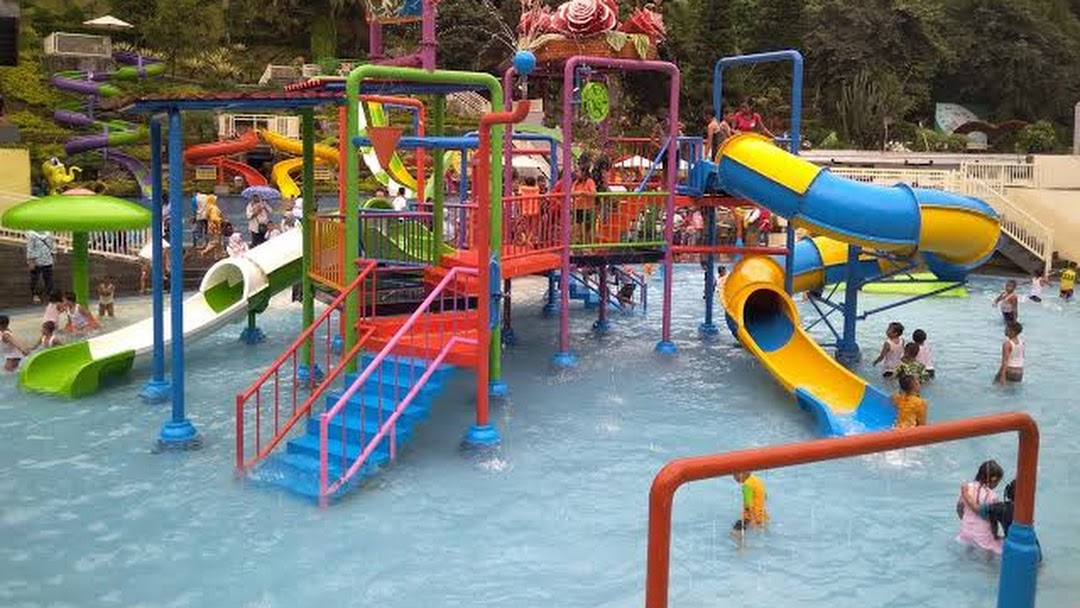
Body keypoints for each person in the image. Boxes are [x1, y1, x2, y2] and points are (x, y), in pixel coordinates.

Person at [956, 460, 1005, 555]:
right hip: (983, 537)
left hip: (966, 533)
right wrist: (995, 535)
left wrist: (965, 520)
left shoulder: (967, 488)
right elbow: (993, 521)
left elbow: (959, 508)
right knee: (990, 553)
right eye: (997, 482)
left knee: (968, 551)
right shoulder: (993, 496)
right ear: (993, 481)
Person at [26, 229, 56, 304]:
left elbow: (30, 248)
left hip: (41, 260)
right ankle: (37, 295)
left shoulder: (32, 234)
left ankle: (46, 295)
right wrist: (31, 261)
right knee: (38, 279)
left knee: (44, 279)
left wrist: (30, 260)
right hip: (42, 260)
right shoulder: (33, 234)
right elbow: (53, 248)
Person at [571, 169, 597, 244]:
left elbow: (593, 193)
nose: (577, 173)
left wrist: (583, 193)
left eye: (578, 171)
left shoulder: (589, 181)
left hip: (587, 208)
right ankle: (578, 244)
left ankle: (588, 246)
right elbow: (572, 192)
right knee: (577, 229)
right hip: (578, 208)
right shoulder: (576, 182)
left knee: (587, 230)